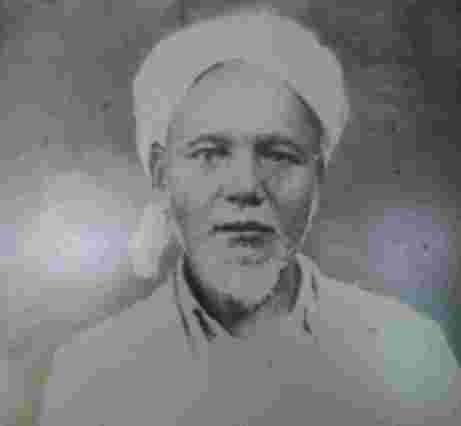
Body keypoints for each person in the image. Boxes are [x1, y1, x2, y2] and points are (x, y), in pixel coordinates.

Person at [40, 6, 461, 426]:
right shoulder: (89, 375)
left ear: (318, 177)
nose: (246, 186)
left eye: (279, 155)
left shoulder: (411, 356)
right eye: (209, 153)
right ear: (161, 173)